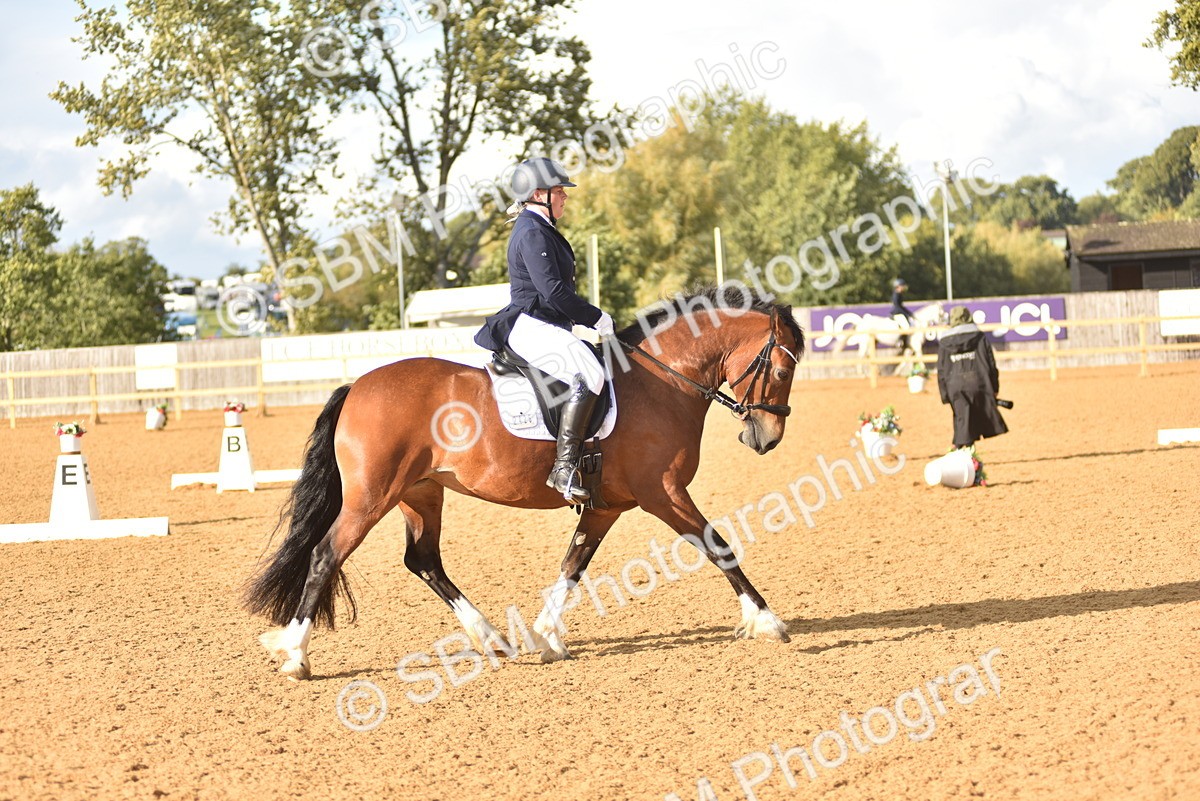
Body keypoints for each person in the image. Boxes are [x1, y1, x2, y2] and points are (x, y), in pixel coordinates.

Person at [474, 157, 615, 502]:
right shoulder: (532, 230)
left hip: (545, 322)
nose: (565, 197)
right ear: (538, 194)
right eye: (559, 191)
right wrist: (595, 317)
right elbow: (553, 290)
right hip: (530, 323)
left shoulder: (538, 227)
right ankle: (564, 469)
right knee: (591, 374)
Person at [936, 306, 1008, 449]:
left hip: (954, 384)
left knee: (961, 416)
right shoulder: (980, 337)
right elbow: (991, 363)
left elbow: (941, 369)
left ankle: (961, 449)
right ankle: (962, 449)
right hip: (978, 382)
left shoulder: (944, 341)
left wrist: (944, 394)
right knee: (973, 415)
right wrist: (994, 387)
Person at [889, 277, 915, 352]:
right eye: (902, 286)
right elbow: (897, 306)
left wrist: (909, 313)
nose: (903, 288)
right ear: (899, 286)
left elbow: (902, 306)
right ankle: (900, 340)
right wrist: (905, 314)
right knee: (906, 327)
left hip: (899, 311)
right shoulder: (896, 294)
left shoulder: (899, 294)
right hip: (897, 313)